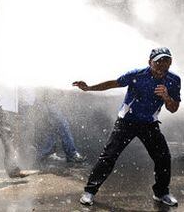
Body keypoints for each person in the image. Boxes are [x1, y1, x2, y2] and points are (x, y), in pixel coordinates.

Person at [73, 47, 180, 206]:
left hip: (149, 124)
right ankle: (89, 191)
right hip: (127, 121)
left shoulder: (173, 80)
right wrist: (89, 88)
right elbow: (113, 83)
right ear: (150, 62)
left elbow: (173, 108)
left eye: (166, 61)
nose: (162, 65)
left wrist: (166, 96)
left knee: (163, 157)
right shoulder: (137, 75)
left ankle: (161, 193)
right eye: (158, 62)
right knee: (109, 156)